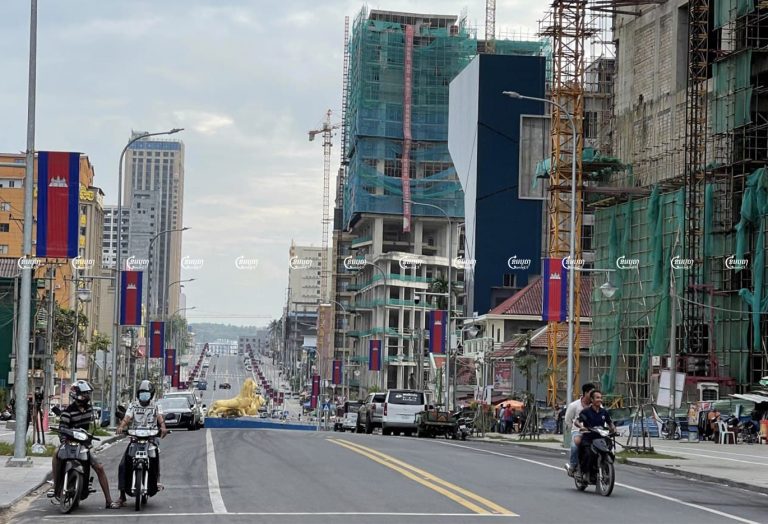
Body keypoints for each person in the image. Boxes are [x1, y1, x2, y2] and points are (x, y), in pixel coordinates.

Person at [49, 380, 120, 509]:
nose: (87, 397)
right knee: (55, 455)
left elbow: (91, 428)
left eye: (88, 394)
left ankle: (109, 501)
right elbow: (62, 430)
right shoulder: (68, 411)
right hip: (69, 443)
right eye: (84, 394)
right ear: (76, 395)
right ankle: (55, 484)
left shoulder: (90, 410)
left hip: (84, 445)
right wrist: (64, 441)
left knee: (99, 467)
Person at [115, 380, 168, 507]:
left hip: (150, 438)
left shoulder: (156, 406)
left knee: (155, 458)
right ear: (138, 394)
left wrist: (163, 427)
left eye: (146, 393)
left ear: (151, 394)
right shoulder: (133, 405)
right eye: (142, 393)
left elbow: (160, 418)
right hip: (136, 438)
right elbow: (127, 418)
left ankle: (156, 482)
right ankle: (122, 496)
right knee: (123, 464)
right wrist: (121, 426)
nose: (144, 395)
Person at [574, 390, 616, 470]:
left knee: (609, 452)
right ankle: (584, 471)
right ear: (592, 400)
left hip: (601, 438)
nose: (599, 400)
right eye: (597, 398)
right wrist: (581, 427)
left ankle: (605, 469)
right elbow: (577, 421)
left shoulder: (604, 412)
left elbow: (610, 423)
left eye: (600, 398)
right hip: (589, 438)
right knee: (589, 454)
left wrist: (613, 429)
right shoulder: (586, 411)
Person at [564, 382, 595, 477]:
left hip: (594, 431)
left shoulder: (597, 405)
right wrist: (572, 431)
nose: (594, 396)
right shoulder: (574, 405)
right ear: (585, 393)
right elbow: (568, 420)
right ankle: (573, 466)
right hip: (578, 431)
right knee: (574, 446)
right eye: (591, 393)